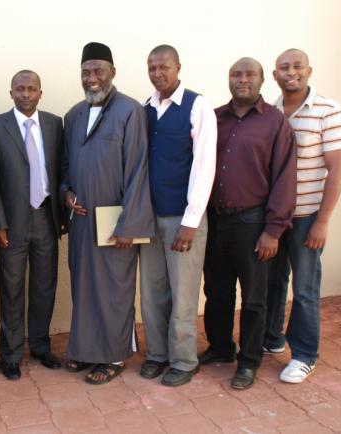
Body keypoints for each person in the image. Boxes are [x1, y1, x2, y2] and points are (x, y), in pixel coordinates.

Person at [199, 58, 296, 390]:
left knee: (254, 297)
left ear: (261, 80)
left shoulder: (274, 123)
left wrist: (273, 230)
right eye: (235, 74)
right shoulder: (214, 119)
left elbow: (285, 178)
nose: (242, 80)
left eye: (249, 74)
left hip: (253, 223)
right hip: (215, 220)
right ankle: (221, 347)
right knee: (216, 290)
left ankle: (249, 360)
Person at [61, 42, 154, 385]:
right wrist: (66, 195)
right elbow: (66, 168)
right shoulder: (74, 116)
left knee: (115, 289)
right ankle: (87, 351)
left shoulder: (130, 111)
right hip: (83, 220)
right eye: (86, 72)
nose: (92, 78)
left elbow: (138, 170)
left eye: (99, 71)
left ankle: (114, 356)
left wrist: (130, 224)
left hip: (116, 221)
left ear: (112, 72)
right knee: (84, 287)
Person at [264, 49, 341, 383]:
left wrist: (323, 220)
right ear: (275, 75)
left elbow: (337, 170)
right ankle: (272, 340)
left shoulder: (328, 110)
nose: (291, 72)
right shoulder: (270, 113)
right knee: (272, 283)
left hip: (306, 217)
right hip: (274, 218)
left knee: (304, 288)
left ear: (309, 71)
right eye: (284, 68)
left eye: (297, 66)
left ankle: (304, 355)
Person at [139, 45, 216, 387]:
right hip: (149, 218)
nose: (158, 73)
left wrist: (191, 221)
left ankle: (184, 360)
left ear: (178, 67)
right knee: (153, 292)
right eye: (152, 67)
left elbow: (204, 167)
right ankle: (157, 354)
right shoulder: (145, 109)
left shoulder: (197, 106)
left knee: (183, 292)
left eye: (164, 67)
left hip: (183, 219)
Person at [0, 70, 64, 380]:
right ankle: (11, 354)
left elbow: (61, 167)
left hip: (45, 217)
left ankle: (41, 346)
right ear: (11, 92)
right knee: (12, 289)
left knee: (44, 285)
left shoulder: (55, 124)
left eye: (31, 89)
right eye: (20, 89)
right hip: (11, 223)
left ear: (40, 93)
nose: (26, 94)